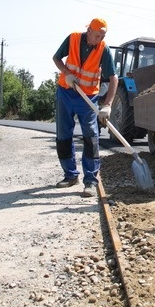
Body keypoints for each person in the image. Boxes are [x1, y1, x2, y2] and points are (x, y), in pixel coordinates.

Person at [52, 18, 118, 197]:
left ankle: (90, 181)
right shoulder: (72, 38)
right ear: (89, 30)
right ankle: (70, 175)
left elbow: (113, 78)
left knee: (91, 136)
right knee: (63, 135)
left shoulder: (104, 49)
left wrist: (108, 105)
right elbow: (56, 58)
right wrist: (67, 74)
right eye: (97, 35)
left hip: (87, 97)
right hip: (65, 92)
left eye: (102, 36)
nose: (99, 39)